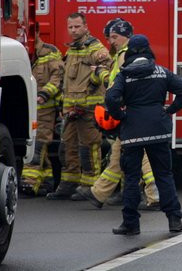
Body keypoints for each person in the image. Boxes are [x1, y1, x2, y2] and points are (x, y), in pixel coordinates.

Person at [105, 34, 182, 235]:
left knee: (132, 178)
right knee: (164, 175)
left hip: (133, 132)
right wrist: (169, 110)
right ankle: (174, 220)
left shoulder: (124, 75)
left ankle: (131, 224)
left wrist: (121, 116)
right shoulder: (161, 72)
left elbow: (111, 97)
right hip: (158, 131)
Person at [74, 19, 160, 210]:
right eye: (109, 37)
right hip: (131, 113)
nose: (111, 41)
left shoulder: (124, 56)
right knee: (116, 155)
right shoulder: (128, 55)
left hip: (129, 114)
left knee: (142, 155)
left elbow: (118, 85)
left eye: (115, 37)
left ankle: (155, 196)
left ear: (126, 36)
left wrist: (101, 75)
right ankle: (98, 193)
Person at [47, 13, 112, 200]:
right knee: (68, 146)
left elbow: (106, 69)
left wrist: (94, 81)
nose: (73, 30)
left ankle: (90, 185)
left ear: (85, 27)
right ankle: (69, 183)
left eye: (77, 26)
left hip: (89, 108)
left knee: (89, 147)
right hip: (71, 109)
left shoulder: (95, 48)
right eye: (70, 27)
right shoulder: (72, 50)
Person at [20, 33, 64, 197]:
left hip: (45, 108)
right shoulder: (24, 53)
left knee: (37, 145)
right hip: (28, 109)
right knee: (37, 145)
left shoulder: (49, 53)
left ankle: (30, 182)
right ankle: (46, 182)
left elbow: (57, 77)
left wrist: (44, 94)